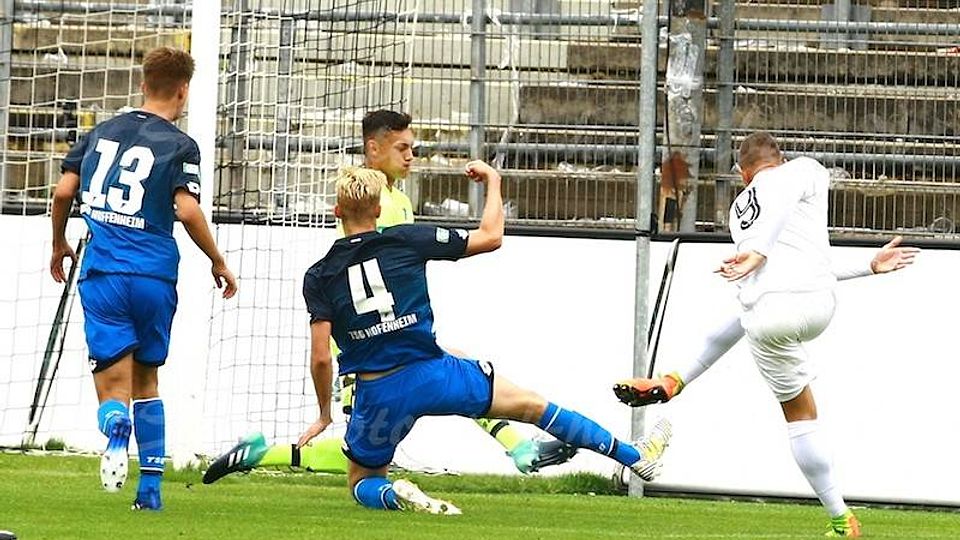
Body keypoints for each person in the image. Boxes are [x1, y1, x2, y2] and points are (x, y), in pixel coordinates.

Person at [202, 111, 574, 484]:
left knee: (450, 378)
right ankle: (262, 454)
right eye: (401, 148)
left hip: (390, 337)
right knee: (359, 455)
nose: (410, 156)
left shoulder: (396, 198)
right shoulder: (372, 199)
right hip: (369, 345)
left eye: (412, 148)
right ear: (374, 148)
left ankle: (518, 446)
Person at [294, 164, 670, 513]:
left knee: (362, 480)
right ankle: (634, 457)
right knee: (533, 406)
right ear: (378, 210)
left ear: (336, 212)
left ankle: (397, 495)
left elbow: (321, 358)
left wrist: (325, 414)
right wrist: (493, 181)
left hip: (379, 391)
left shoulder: (319, 275)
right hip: (436, 374)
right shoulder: (406, 239)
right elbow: (491, 236)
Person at [616, 132, 919, 537]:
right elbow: (795, 247)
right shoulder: (805, 170)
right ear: (783, 158)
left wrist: (758, 249)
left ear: (743, 174)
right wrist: (867, 266)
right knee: (754, 314)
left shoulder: (742, 209)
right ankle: (675, 380)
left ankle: (841, 519)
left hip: (774, 312)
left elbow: (775, 202)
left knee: (798, 414)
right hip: (817, 303)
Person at [49, 46, 238, 511]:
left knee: (113, 390)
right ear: (183, 91)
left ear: (142, 83)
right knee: (148, 382)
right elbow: (187, 210)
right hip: (155, 275)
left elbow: (63, 191)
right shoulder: (180, 145)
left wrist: (58, 243)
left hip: (105, 273)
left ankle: (115, 423)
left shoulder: (101, 133)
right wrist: (216, 260)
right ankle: (150, 492)